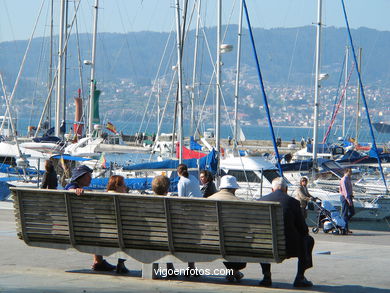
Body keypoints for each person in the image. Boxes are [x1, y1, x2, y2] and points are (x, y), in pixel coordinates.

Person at [258, 177, 314, 288]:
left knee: (262, 239)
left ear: (272, 189)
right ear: (286, 189)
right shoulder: (293, 202)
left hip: (265, 246)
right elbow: (303, 229)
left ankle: (266, 276)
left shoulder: (260, 201)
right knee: (308, 240)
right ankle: (300, 277)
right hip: (289, 247)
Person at [65, 165, 116, 272]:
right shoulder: (73, 186)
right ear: (81, 177)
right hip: (76, 226)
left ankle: (99, 261)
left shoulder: (75, 186)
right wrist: (75, 191)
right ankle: (98, 261)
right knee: (97, 227)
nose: (91, 178)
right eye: (89, 176)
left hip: (72, 223)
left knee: (95, 225)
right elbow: (69, 190)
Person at [208, 175, 246, 282]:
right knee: (236, 242)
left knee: (223, 242)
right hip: (233, 243)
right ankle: (234, 271)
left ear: (221, 188)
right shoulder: (239, 201)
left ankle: (233, 271)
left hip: (211, 241)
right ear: (234, 189)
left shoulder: (209, 199)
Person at [106, 175, 129, 274]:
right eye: (123, 185)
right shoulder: (121, 199)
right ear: (117, 186)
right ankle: (121, 263)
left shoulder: (102, 197)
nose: (125, 188)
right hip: (120, 236)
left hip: (103, 234)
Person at [339, 168, 355, 234]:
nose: (351, 173)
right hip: (345, 197)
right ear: (346, 172)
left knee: (352, 212)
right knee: (345, 213)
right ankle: (345, 228)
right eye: (350, 172)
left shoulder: (348, 178)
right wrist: (348, 199)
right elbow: (345, 190)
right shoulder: (344, 179)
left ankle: (343, 223)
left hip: (349, 197)